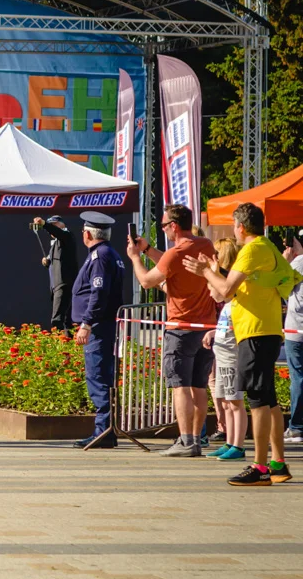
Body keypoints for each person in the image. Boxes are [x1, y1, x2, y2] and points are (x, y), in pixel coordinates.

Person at [184, 202, 294, 486]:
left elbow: (224, 290)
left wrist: (206, 272)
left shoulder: (251, 249)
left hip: (255, 332)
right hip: (264, 330)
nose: (233, 231)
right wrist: (216, 270)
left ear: (241, 227)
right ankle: (277, 463)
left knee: (258, 400)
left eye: (234, 226)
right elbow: (233, 290)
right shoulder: (267, 247)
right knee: (268, 400)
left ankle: (260, 467)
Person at [125, 204, 218, 457]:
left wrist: (135, 257)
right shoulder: (205, 244)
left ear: (174, 226)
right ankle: (195, 440)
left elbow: (147, 281)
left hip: (181, 328)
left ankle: (186, 441)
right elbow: (170, 264)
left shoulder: (175, 252)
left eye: (165, 225)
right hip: (206, 327)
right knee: (199, 387)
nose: (164, 229)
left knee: (180, 386)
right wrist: (147, 249)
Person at [71, 212, 126, 449]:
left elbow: (98, 293)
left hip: (99, 327)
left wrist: (86, 323)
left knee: (98, 377)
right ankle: (106, 431)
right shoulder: (107, 253)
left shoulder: (100, 256)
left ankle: (103, 432)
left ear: (87, 234)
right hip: (103, 325)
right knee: (102, 376)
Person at [205, 238, 248, 461]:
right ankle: (230, 441)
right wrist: (214, 332)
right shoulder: (229, 302)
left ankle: (238, 445)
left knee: (235, 401)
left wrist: (213, 273)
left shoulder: (236, 295)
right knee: (225, 401)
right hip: (222, 350)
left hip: (231, 353)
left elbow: (219, 294)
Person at [34, 215, 78, 331]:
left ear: (61, 224)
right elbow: (58, 259)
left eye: (54, 225)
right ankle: (67, 340)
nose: (51, 230)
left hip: (64, 284)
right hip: (56, 286)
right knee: (65, 320)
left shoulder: (67, 235)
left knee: (57, 320)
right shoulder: (56, 242)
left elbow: (58, 233)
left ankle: (59, 341)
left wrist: (44, 224)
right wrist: (47, 261)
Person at [283, 237, 303, 444]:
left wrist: (287, 261)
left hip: (296, 330)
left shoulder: (298, 263)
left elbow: (283, 288)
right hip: (296, 329)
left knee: (297, 378)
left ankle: (296, 427)